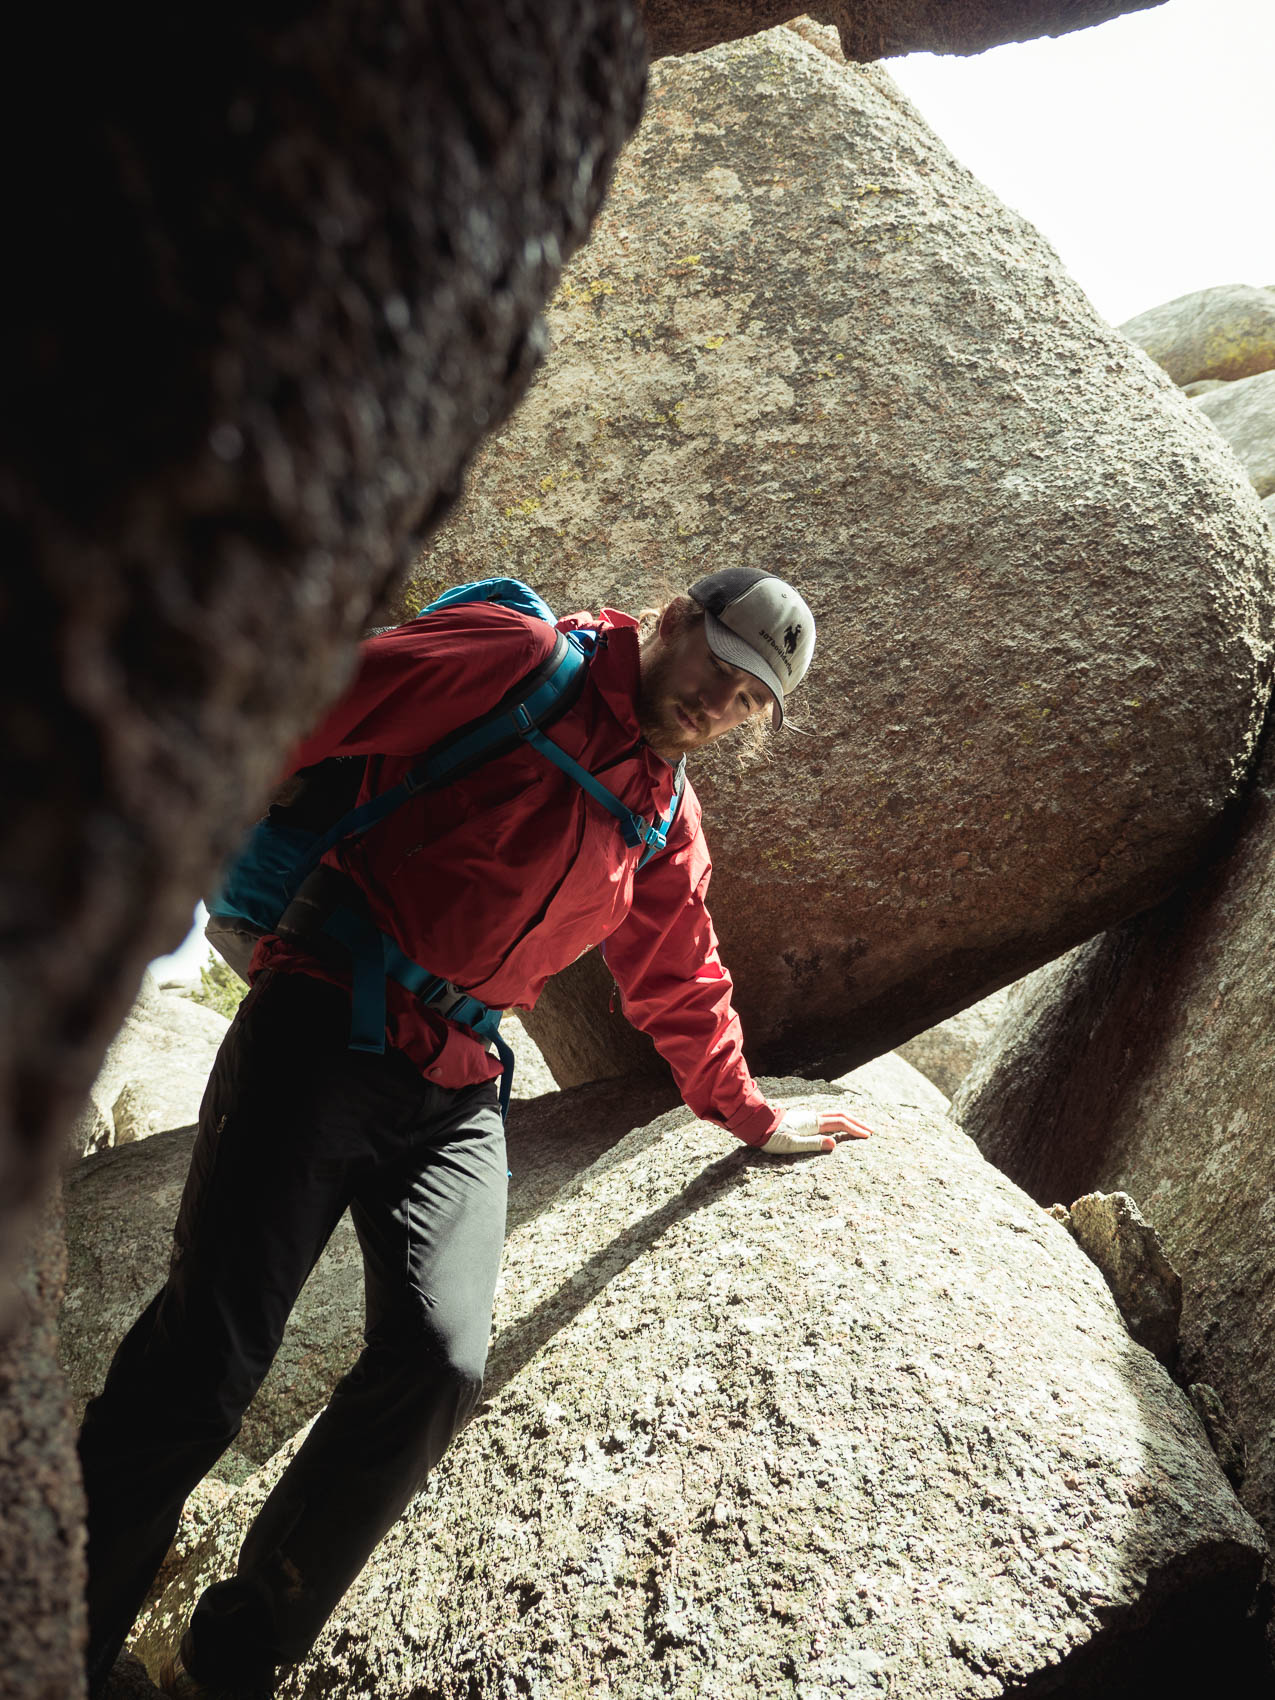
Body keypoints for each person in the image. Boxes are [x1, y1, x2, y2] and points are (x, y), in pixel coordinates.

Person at [78, 566, 871, 1699]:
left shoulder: (662, 814)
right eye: (723, 667)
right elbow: (297, 703)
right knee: (209, 1359)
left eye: (752, 699)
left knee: (441, 1359)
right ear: (679, 619)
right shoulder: (515, 661)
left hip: (455, 1083)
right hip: (324, 1025)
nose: (723, 702)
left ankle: (234, 1652)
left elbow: (680, 976)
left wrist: (748, 1109)